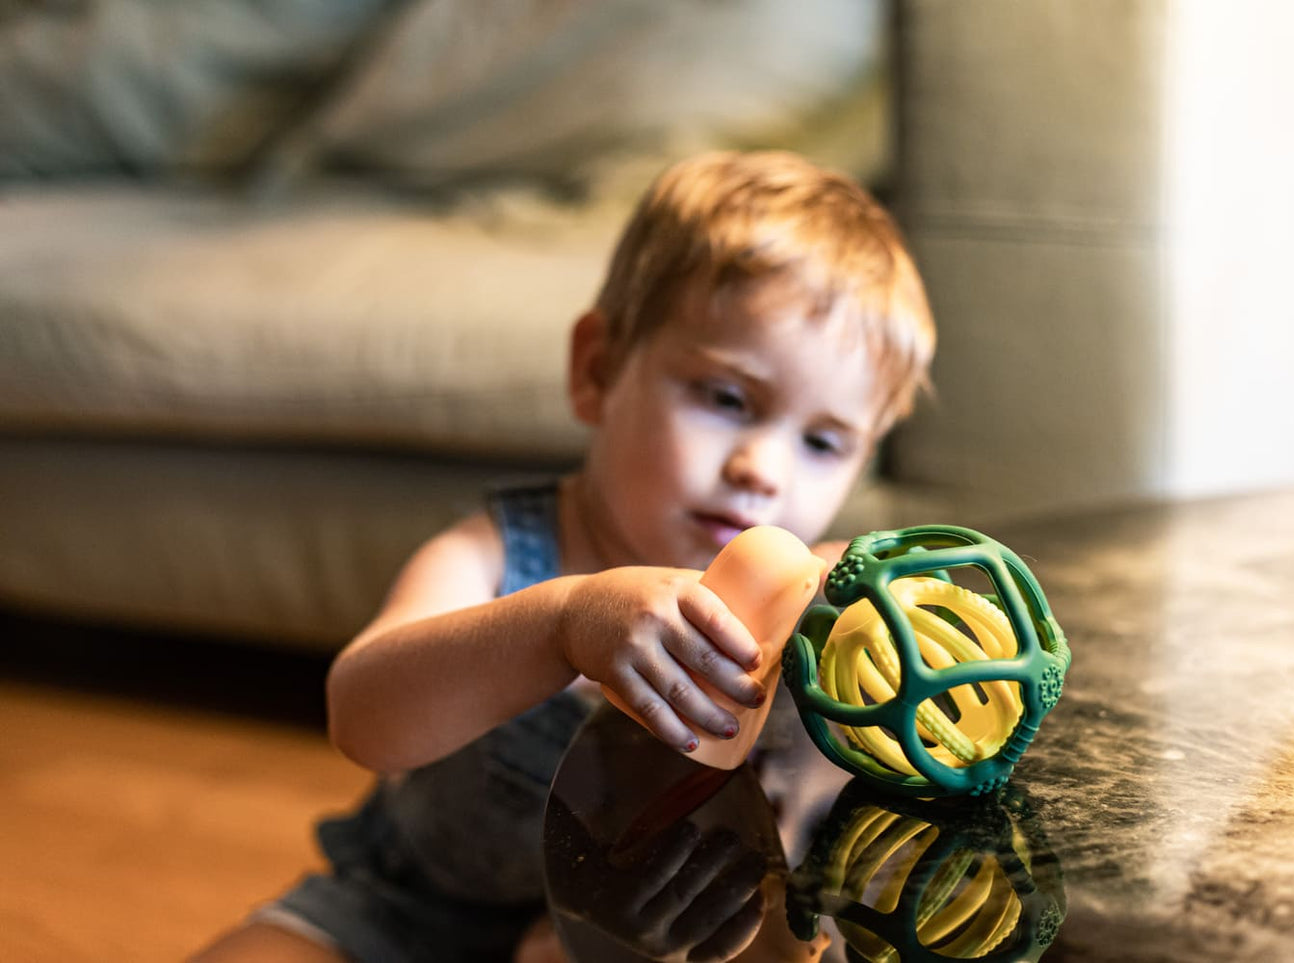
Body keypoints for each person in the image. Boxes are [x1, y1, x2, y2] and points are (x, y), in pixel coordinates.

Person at [189, 149, 936, 963]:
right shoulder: (499, 551)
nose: (763, 469)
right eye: (727, 398)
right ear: (597, 369)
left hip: (644, 943)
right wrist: (558, 623)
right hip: (406, 916)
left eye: (822, 441)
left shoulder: (819, 612)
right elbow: (362, 717)